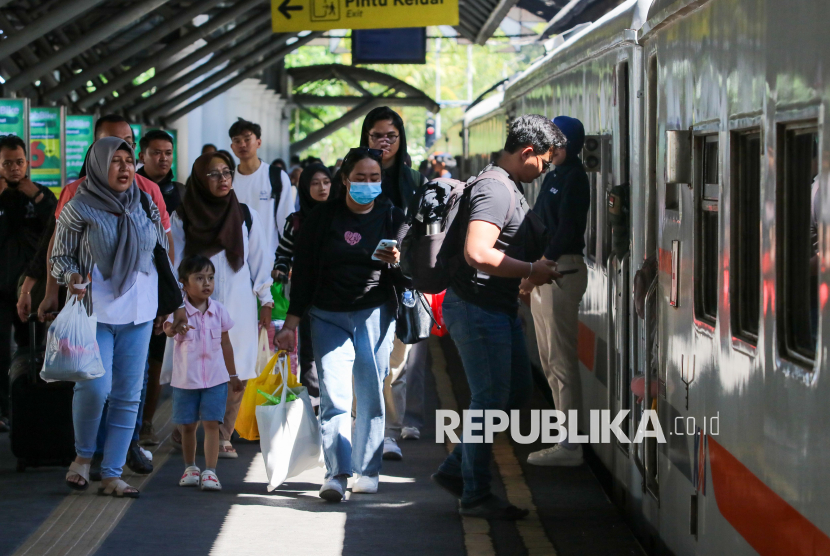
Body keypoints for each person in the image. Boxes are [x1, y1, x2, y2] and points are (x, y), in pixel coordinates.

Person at [431, 115, 564, 520]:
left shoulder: (505, 185)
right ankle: (474, 494)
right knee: (489, 401)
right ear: (527, 152)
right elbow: (479, 252)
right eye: (544, 162)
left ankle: (457, 471)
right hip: (477, 308)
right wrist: (530, 270)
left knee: (513, 395)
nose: (544, 170)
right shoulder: (495, 190)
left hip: (495, 308)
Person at [275, 147, 407, 502]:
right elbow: (303, 273)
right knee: (335, 396)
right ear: (345, 179)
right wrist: (292, 321)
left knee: (369, 395)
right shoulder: (322, 219)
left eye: (374, 178)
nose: (367, 184)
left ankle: (367, 469)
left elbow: (410, 272)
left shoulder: (393, 217)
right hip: (326, 315)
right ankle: (336, 473)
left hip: (374, 314)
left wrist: (397, 261)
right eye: (360, 178)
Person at [53, 137, 173, 498]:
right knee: (95, 386)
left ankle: (112, 473)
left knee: (127, 393)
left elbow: (161, 254)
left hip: (139, 311)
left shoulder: (146, 203)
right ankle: (83, 456)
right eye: (115, 161)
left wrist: (172, 302)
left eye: (128, 160)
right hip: (94, 310)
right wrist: (71, 276)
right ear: (97, 164)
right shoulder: (80, 206)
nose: (124, 168)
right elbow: (59, 257)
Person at [169, 150, 273, 458]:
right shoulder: (184, 216)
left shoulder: (244, 214)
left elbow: (259, 260)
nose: (223, 179)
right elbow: (174, 262)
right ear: (200, 179)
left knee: (235, 369)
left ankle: (224, 434)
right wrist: (178, 301)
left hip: (238, 305)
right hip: (194, 306)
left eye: (227, 173)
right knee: (194, 367)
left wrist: (265, 299)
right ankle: (186, 426)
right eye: (214, 174)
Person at [521, 116, 591, 467]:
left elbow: (566, 231)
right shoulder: (554, 177)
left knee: (561, 361)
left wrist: (538, 268)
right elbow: (537, 221)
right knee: (549, 361)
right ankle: (564, 438)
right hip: (547, 269)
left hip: (561, 269)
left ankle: (570, 445)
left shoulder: (576, 179)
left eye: (556, 142)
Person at [359, 106, 426, 460]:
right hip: (361, 279)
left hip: (402, 281)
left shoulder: (412, 180)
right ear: (365, 138)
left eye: (391, 136)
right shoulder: (354, 173)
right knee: (365, 358)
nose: (384, 142)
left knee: (397, 360)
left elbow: (422, 228)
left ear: (400, 140)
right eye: (376, 136)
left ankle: (390, 431)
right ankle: (365, 424)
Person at [164, 255, 242, 491]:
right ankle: (190, 467)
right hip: (186, 381)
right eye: (199, 278)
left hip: (216, 380)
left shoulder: (219, 310)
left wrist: (233, 375)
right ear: (184, 284)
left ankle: (210, 471)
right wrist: (175, 327)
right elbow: (168, 330)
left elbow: (226, 344)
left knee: (211, 424)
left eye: (210, 278)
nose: (207, 283)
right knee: (188, 426)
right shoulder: (179, 312)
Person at [0, 134, 58, 430]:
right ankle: (4, 408)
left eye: (19, 162)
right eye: (7, 163)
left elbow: (57, 223)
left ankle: (31, 404)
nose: (14, 168)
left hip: (32, 287)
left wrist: (34, 194)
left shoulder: (40, 194)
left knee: (32, 345)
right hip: (2, 284)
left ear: (27, 162)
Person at [273, 164, 339, 406]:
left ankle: (337, 404)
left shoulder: (342, 216)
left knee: (338, 354)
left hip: (340, 295)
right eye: (314, 183)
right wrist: (280, 268)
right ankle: (314, 406)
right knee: (309, 354)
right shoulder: (297, 221)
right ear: (304, 187)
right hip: (307, 297)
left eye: (326, 182)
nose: (322, 187)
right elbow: (283, 253)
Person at [136, 129, 185, 447]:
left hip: (165, 286)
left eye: (168, 152)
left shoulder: (180, 193)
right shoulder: (130, 187)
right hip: (135, 285)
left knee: (155, 358)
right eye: (156, 152)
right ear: (142, 155)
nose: (163, 158)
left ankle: (146, 422)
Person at [229, 118, 293, 259]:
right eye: (237, 141)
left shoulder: (276, 177)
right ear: (232, 146)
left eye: (247, 139)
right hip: (236, 263)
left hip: (270, 262)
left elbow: (286, 222)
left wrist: (287, 259)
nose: (242, 145)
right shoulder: (228, 180)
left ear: (258, 142)